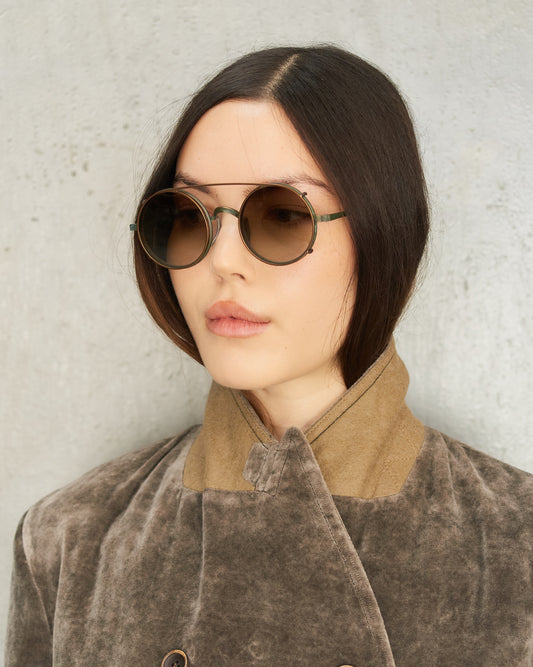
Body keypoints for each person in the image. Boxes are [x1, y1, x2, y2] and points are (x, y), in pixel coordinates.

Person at [5, 45, 533, 667]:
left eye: (283, 214)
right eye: (190, 215)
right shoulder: (69, 540)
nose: (222, 260)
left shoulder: (516, 546)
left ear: (383, 233)